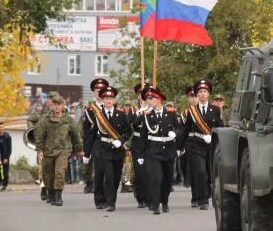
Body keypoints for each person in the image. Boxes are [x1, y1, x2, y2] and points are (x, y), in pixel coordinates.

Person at [82, 86, 131, 212]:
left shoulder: (121, 114)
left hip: (117, 150)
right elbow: (91, 134)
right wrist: (87, 153)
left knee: (115, 177)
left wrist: (120, 141)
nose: (108, 100)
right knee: (106, 175)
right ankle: (109, 202)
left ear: (114, 100)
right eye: (106, 98)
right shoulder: (98, 115)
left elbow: (128, 131)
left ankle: (110, 197)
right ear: (103, 100)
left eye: (111, 98)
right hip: (102, 149)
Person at [136, 86, 180, 215]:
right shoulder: (147, 115)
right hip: (153, 151)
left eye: (152, 98)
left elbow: (179, 128)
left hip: (168, 149)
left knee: (167, 179)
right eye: (148, 99)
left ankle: (164, 202)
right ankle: (155, 204)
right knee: (156, 178)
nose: (149, 101)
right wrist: (141, 154)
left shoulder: (170, 113)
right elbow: (143, 135)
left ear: (159, 99)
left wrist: (175, 133)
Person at [178, 79, 221, 210]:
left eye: (205, 91)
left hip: (211, 145)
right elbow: (185, 130)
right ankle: (203, 200)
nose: (202, 94)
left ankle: (210, 195)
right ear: (197, 95)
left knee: (210, 172)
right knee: (201, 172)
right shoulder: (192, 111)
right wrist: (179, 147)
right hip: (196, 145)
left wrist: (217, 140)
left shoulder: (215, 109)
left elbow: (220, 127)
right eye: (200, 92)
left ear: (209, 94)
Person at [34, 94, 83, 206]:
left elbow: (76, 135)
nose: (56, 107)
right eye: (55, 104)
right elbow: (39, 135)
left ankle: (58, 195)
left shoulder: (68, 120)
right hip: (48, 151)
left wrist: (78, 149)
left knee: (59, 173)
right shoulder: (45, 120)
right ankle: (50, 193)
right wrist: (40, 150)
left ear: (63, 106)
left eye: (59, 104)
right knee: (48, 175)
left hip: (63, 151)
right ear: (52, 106)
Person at [81, 78, 109, 195]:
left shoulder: (112, 107)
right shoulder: (89, 110)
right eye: (96, 91)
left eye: (101, 90)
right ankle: (96, 191)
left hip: (110, 143)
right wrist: (86, 149)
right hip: (96, 143)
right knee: (97, 169)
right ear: (94, 93)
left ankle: (108, 194)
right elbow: (87, 131)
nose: (99, 93)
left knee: (109, 172)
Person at [0, 122, 12, 190]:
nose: (1, 128)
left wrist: (7, 158)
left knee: (5, 171)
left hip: (5, 156)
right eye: (0, 127)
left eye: (2, 127)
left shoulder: (7, 136)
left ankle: (4, 185)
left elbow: (9, 148)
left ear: (4, 128)